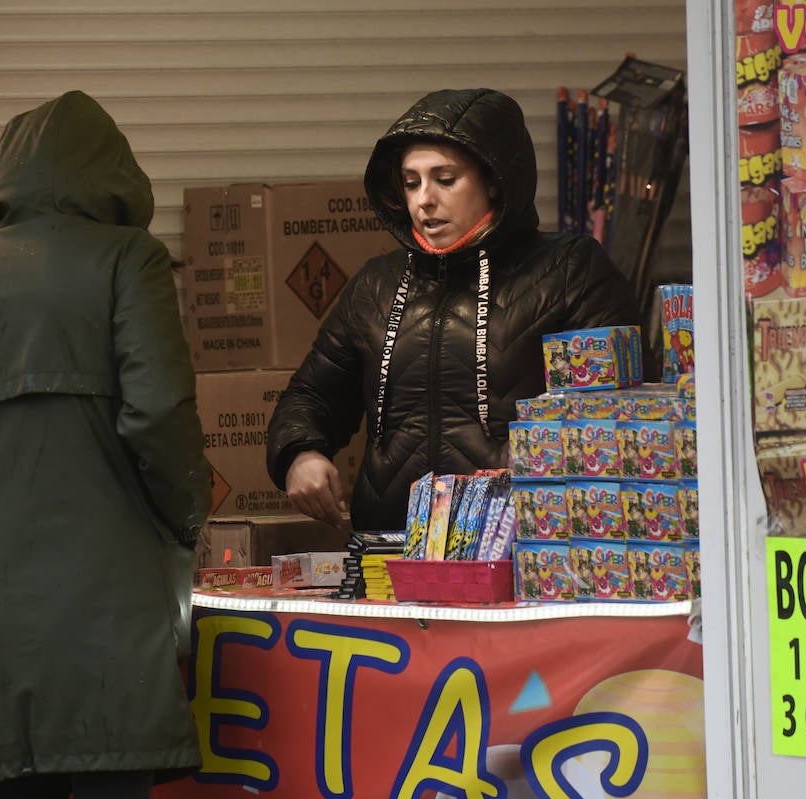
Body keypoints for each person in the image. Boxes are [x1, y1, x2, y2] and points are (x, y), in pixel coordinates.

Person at [0, 89, 210, 799]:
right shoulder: (130, 261)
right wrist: (186, 515)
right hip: (115, 624)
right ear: (114, 174)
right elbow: (159, 414)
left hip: (1, 630)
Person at [267, 88, 647, 532]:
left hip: (525, 551)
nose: (423, 199)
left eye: (445, 179)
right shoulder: (377, 285)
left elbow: (618, 413)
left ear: (494, 178)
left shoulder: (568, 270)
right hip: (392, 552)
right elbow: (312, 394)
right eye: (411, 182)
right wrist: (300, 452)